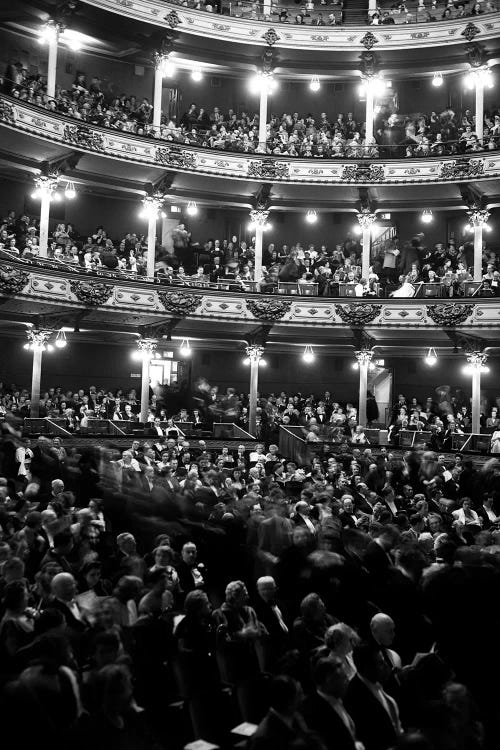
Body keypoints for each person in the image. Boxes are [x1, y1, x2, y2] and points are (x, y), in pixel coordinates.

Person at [302, 656, 360, 750]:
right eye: (343, 679)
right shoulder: (314, 712)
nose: (347, 682)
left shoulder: (346, 698)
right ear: (329, 680)